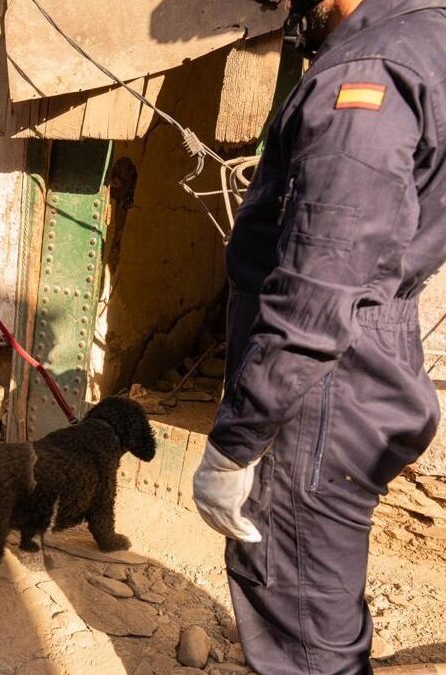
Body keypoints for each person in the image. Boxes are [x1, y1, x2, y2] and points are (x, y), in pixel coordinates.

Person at [193, 1, 446, 673]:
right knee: (321, 608)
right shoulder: (430, 42)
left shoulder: (369, 73)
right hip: (371, 348)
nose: (290, 11)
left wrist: (237, 439)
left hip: (320, 386)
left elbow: (316, 288)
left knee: (302, 627)